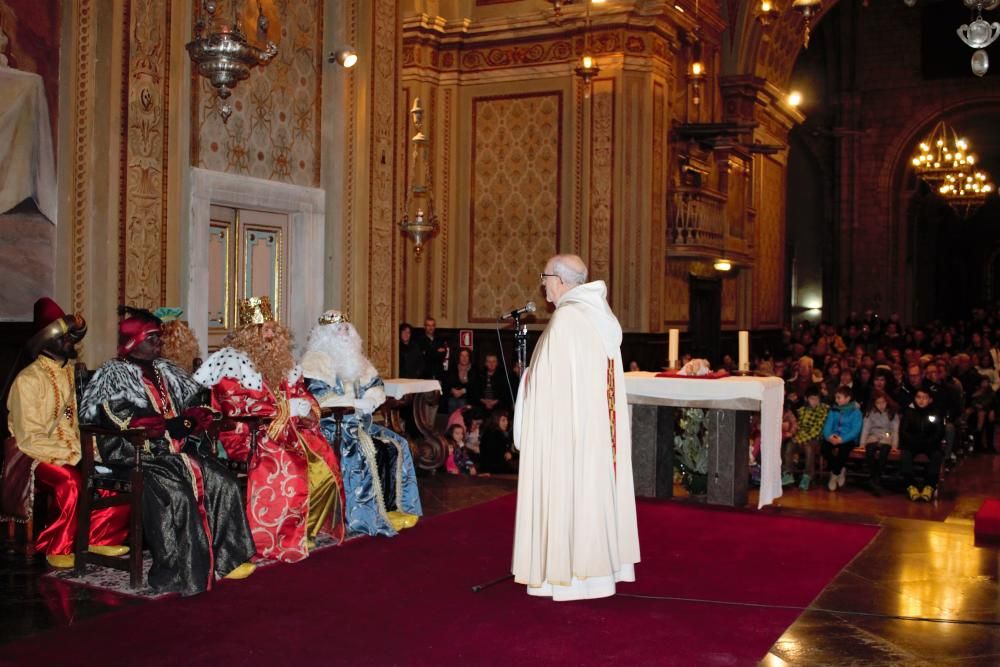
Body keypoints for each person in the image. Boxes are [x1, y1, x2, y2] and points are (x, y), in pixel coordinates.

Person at [81, 306, 256, 595]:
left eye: (159, 338)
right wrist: (174, 425)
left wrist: (195, 417)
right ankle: (178, 571)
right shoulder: (113, 375)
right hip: (135, 453)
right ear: (133, 341)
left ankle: (228, 557)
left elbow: (180, 411)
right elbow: (123, 420)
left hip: (172, 450)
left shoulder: (164, 371)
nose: (159, 344)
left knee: (223, 481)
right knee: (177, 494)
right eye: (153, 338)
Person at [512, 254, 640, 601]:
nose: (543, 284)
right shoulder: (597, 317)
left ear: (562, 280)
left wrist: (527, 385)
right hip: (592, 433)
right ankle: (598, 574)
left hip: (568, 437)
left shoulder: (568, 320)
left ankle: (565, 575)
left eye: (546, 277)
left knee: (570, 492)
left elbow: (548, 388)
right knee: (590, 491)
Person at [194, 297, 346, 562]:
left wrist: (307, 408)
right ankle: (275, 537)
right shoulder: (230, 362)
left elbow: (301, 393)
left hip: (281, 428)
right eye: (265, 329)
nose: (272, 334)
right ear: (250, 334)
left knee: (324, 457)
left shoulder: (281, 361)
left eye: (273, 328)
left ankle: (305, 528)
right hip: (245, 433)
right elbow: (237, 405)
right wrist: (289, 409)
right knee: (291, 465)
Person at [5, 298, 130, 569]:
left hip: (74, 450)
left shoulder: (74, 374)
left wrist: (95, 452)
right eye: (63, 337)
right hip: (32, 455)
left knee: (118, 476)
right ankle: (57, 546)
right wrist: (75, 455)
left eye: (70, 337)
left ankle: (100, 538)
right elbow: (29, 438)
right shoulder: (27, 380)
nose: (70, 341)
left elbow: (84, 421)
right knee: (71, 483)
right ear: (45, 341)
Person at [302, 310, 422, 537]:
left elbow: (375, 384)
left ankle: (396, 507)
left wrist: (371, 399)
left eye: (347, 328)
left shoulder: (355, 358)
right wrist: (354, 403)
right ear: (325, 335)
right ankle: (365, 517)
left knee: (398, 444)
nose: (345, 333)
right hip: (331, 426)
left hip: (360, 422)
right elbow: (319, 398)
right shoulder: (314, 361)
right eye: (339, 330)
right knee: (363, 451)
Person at [899, 388, 945, 502]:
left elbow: (939, 432)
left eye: (924, 398)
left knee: (936, 455)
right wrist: (914, 441)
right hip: (912, 444)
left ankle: (929, 486)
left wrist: (927, 442)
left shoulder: (935, 412)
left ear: (929, 399)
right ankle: (911, 486)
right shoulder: (909, 412)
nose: (921, 400)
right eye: (918, 397)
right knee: (905, 454)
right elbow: (904, 432)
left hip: (930, 444)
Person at [821, 385, 862, 492]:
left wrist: (842, 439)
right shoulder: (833, 410)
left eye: (839, 397)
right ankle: (840, 469)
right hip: (833, 436)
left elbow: (855, 430)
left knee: (843, 451)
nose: (836, 400)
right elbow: (827, 426)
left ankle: (834, 475)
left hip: (848, 438)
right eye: (836, 397)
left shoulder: (856, 412)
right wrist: (829, 436)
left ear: (848, 398)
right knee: (824, 448)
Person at [860, 390, 899, 496]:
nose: (881, 405)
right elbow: (866, 429)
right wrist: (862, 444)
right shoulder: (870, 412)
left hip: (886, 434)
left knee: (884, 451)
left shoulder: (892, 413)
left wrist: (894, 445)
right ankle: (875, 478)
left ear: (887, 402)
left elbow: (894, 430)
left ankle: (875, 479)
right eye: (878, 403)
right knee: (870, 451)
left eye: (883, 402)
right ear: (874, 403)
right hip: (873, 434)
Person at [789, 385, 829, 491]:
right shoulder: (802, 410)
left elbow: (818, 429)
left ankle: (807, 476)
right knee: (789, 445)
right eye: (812, 399)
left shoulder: (824, 410)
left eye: (817, 399)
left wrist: (801, 439)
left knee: (808, 447)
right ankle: (788, 473)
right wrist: (797, 437)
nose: (815, 401)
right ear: (806, 399)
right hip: (802, 437)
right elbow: (799, 427)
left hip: (816, 439)